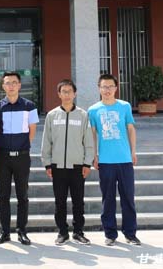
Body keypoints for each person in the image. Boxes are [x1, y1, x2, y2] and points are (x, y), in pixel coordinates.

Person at [89, 73, 141, 246]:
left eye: (110, 86)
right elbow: (92, 134)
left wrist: (133, 151)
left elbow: (131, 129)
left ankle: (130, 234)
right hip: (105, 161)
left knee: (128, 198)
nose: (107, 90)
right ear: (99, 88)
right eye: (104, 86)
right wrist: (94, 155)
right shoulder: (93, 110)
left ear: (116, 88)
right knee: (108, 199)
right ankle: (110, 234)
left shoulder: (124, 106)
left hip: (124, 159)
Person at [41, 79, 94, 246]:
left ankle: (78, 232)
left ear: (74, 94)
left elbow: (88, 141)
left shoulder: (83, 115)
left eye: (69, 91)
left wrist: (87, 163)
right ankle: (62, 232)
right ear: (59, 94)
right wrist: (47, 163)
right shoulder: (52, 115)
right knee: (60, 201)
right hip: (57, 166)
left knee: (78, 201)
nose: (67, 94)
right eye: (63, 91)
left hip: (78, 166)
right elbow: (46, 141)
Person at [0, 71, 39, 245]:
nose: (10, 86)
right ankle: (4, 232)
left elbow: (32, 130)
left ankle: (22, 231)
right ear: (3, 86)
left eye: (14, 82)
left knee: (22, 195)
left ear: (19, 85)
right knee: (3, 196)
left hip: (22, 157)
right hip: (2, 157)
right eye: (7, 83)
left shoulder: (29, 105)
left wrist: (23, 147)